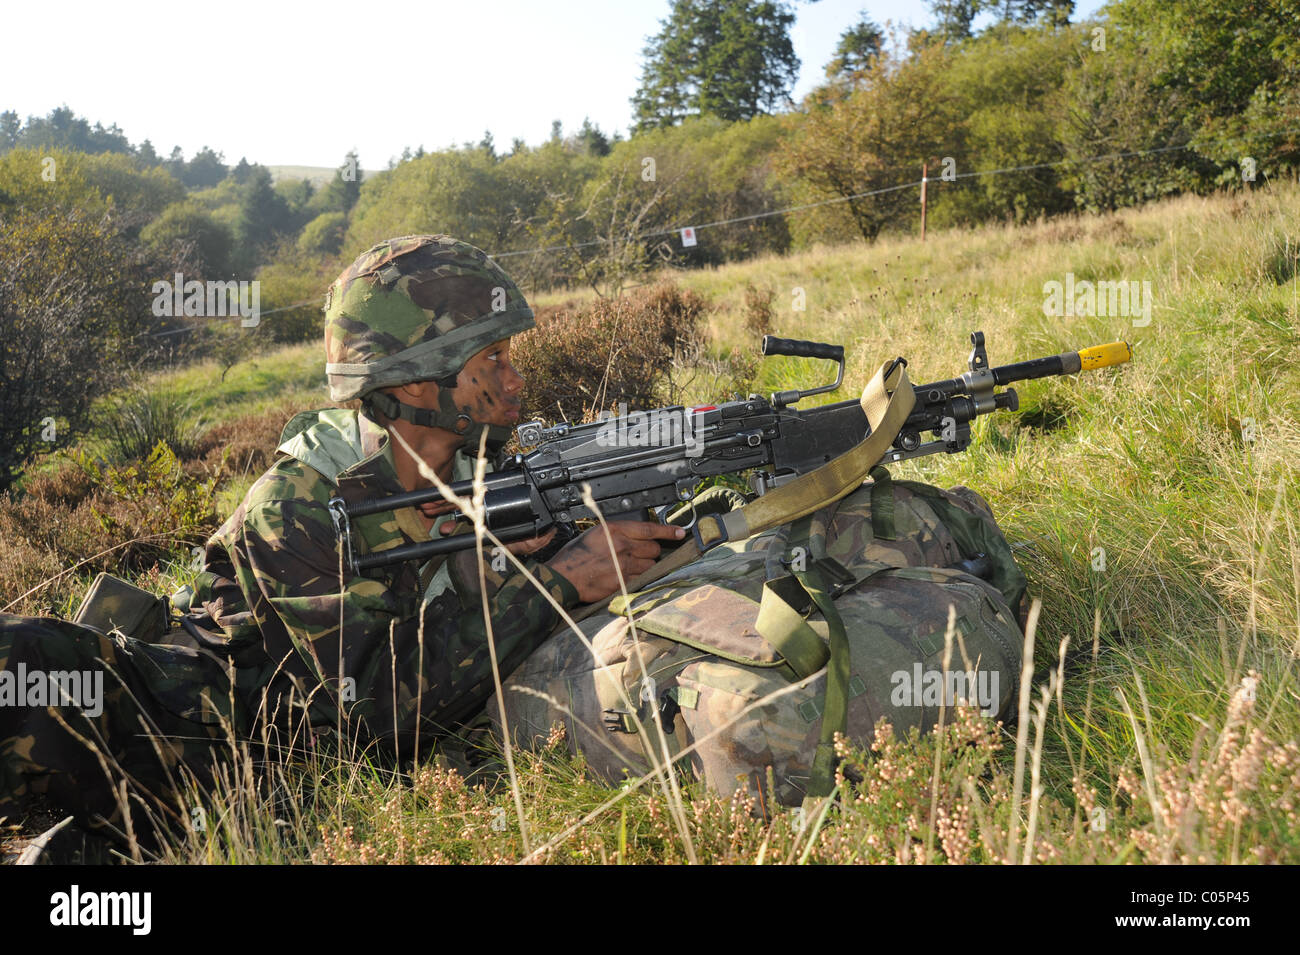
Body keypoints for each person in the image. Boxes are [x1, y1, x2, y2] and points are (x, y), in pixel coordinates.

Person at [0, 234, 682, 851]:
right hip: (202, 729)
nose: (517, 379)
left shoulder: (493, 476)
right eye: (494, 358)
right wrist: (557, 581)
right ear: (418, 377)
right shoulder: (297, 504)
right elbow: (376, 706)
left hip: (313, 779)